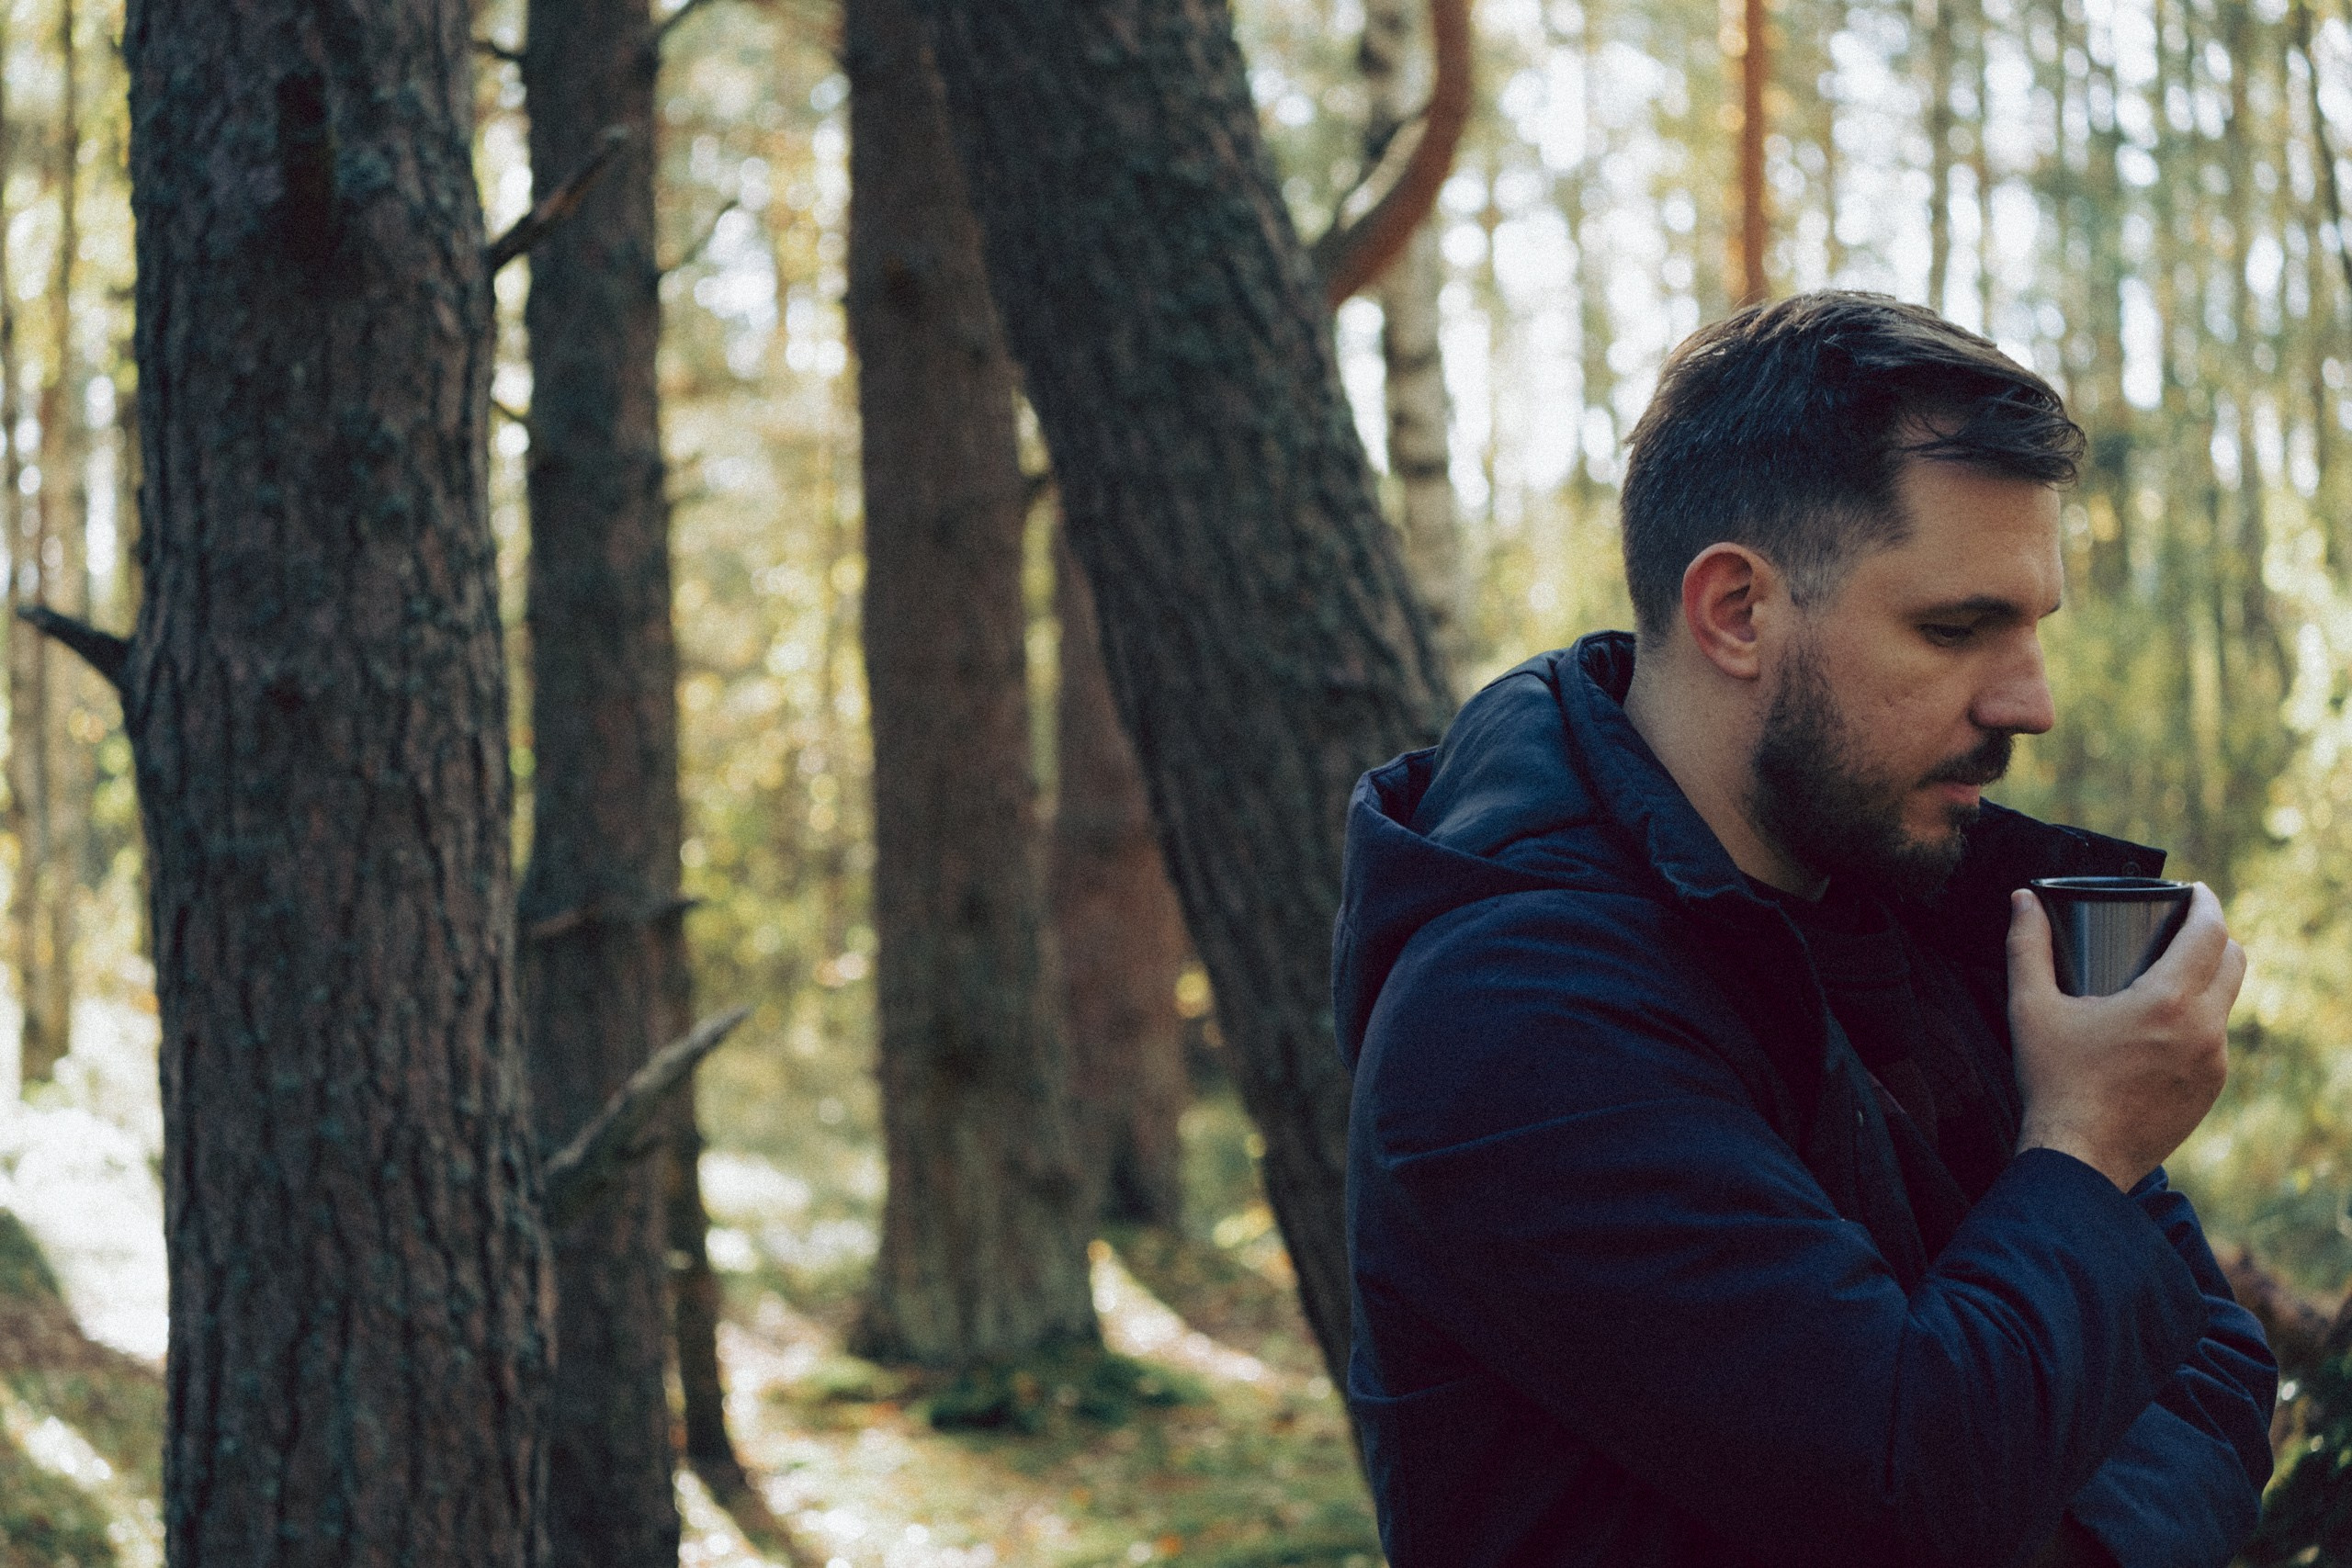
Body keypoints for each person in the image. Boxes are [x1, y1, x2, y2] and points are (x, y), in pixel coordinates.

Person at [1335, 291, 2276, 1568]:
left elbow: (2216, 1369)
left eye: (2032, 627)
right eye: (1956, 628)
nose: (2032, 701)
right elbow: (1909, 1498)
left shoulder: (1914, 901)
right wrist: (2087, 1143)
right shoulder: (1516, 1014)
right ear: (1736, 611)